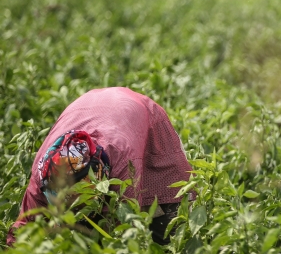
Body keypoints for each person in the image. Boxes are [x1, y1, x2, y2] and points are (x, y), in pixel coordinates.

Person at [7, 87, 193, 246]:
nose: (61, 206)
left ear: (97, 180)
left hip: (138, 113)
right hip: (88, 107)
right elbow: (23, 226)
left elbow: (119, 232)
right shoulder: (44, 169)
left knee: (165, 226)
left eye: (70, 198)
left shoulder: (122, 160)